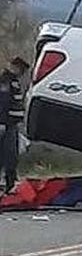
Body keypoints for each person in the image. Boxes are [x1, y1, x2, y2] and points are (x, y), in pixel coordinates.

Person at [0, 57, 30, 191]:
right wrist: (2, 122)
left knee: (10, 155)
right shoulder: (6, 82)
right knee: (8, 155)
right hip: (6, 124)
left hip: (12, 125)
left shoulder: (13, 82)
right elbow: (3, 103)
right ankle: (9, 183)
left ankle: (10, 182)